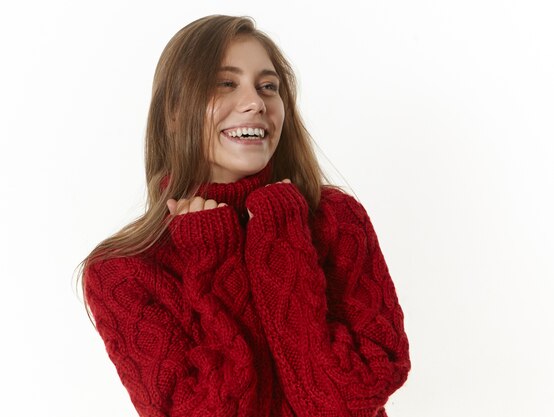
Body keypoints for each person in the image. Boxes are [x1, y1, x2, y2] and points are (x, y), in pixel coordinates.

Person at [77, 14, 410, 417]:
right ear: (175, 110)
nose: (255, 102)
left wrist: (281, 237)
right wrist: (214, 262)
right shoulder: (122, 272)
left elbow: (342, 402)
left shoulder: (336, 220)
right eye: (226, 84)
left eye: (268, 87)